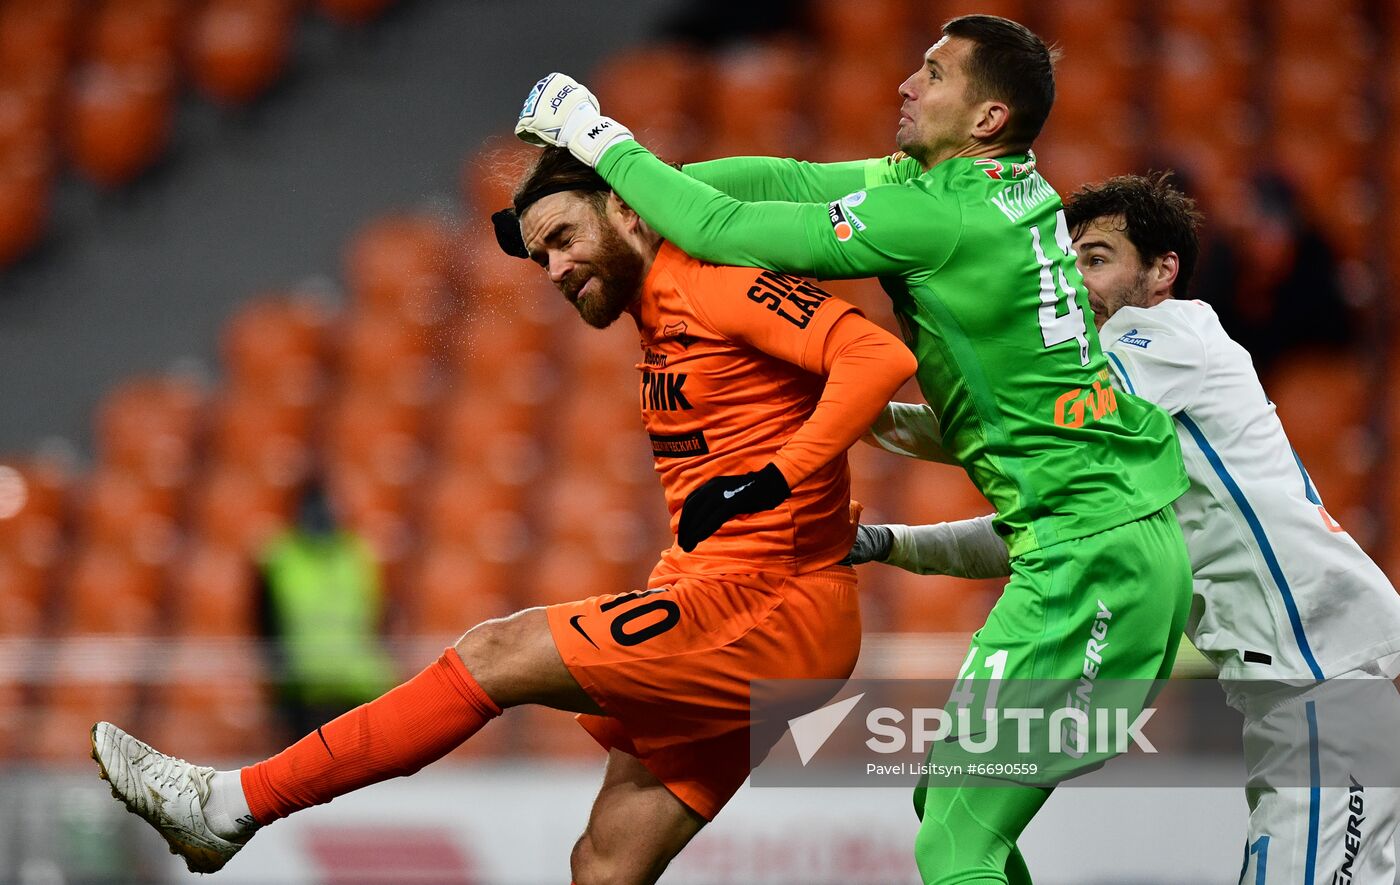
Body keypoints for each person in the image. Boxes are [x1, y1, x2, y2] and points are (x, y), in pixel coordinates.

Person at [89, 147, 916, 883]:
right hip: (742, 604)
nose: (553, 269)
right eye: (541, 255)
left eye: (562, 237)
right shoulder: (658, 308)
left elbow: (876, 354)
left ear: (626, 208)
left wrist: (777, 478)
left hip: (767, 609)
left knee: (494, 652)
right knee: (604, 866)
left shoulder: (712, 279)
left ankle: (229, 803)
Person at [515, 14, 1193, 884]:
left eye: (936, 75)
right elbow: (785, 178)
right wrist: (629, 194)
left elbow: (722, 229)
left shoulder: (937, 217)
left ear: (986, 119)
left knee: (955, 840)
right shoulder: (991, 189)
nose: (908, 86)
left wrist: (597, 138)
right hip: (1103, 544)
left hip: (1090, 563)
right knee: (952, 816)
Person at [852, 173, 1400, 884]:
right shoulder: (1127, 430)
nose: (1079, 279)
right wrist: (888, 536)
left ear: (1162, 269)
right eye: (1070, 260)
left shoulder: (1168, 334)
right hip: (1294, 695)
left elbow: (1025, 423)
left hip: (1326, 683)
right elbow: (1046, 533)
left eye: (1099, 257)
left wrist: (867, 413)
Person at [255, 476, 395, 740]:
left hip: (358, 689)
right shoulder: (279, 557)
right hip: (303, 693)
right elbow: (263, 625)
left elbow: (380, 616)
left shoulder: (358, 554)